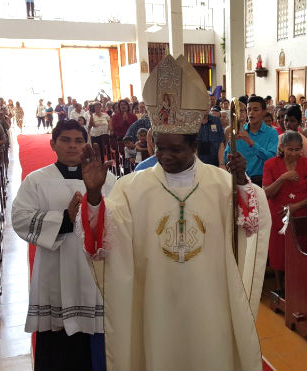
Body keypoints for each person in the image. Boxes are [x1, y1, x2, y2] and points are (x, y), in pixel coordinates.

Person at [77, 55, 270, 370]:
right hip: (157, 302)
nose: (164, 156)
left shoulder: (222, 184)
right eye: (159, 148)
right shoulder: (131, 189)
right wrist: (95, 195)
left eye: (175, 149)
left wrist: (241, 184)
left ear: (194, 146)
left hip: (211, 298)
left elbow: (251, 224)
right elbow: (103, 241)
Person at [12, 120, 116, 371]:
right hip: (55, 268)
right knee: (59, 345)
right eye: (66, 140)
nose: (73, 146)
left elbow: (119, 219)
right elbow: (20, 218)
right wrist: (65, 218)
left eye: (79, 141)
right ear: (53, 144)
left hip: (94, 268)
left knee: (97, 342)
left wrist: (94, 202)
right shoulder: (37, 180)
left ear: (87, 144)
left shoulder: (107, 179)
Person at [263, 131, 307, 289]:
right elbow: (266, 193)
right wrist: (283, 178)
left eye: (297, 150)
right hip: (278, 214)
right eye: (290, 149)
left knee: (301, 251)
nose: (293, 153)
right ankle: (280, 288)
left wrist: (296, 206)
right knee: (278, 251)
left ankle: (298, 288)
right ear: (281, 148)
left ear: (302, 148)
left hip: (301, 214)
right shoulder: (270, 164)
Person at [224, 96, 278, 186]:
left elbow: (271, 158)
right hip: (240, 180)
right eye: (249, 110)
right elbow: (226, 158)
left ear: (264, 112)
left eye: (256, 110)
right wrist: (231, 144)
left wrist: (250, 142)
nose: (251, 113)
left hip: (262, 180)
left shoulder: (271, 133)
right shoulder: (239, 132)